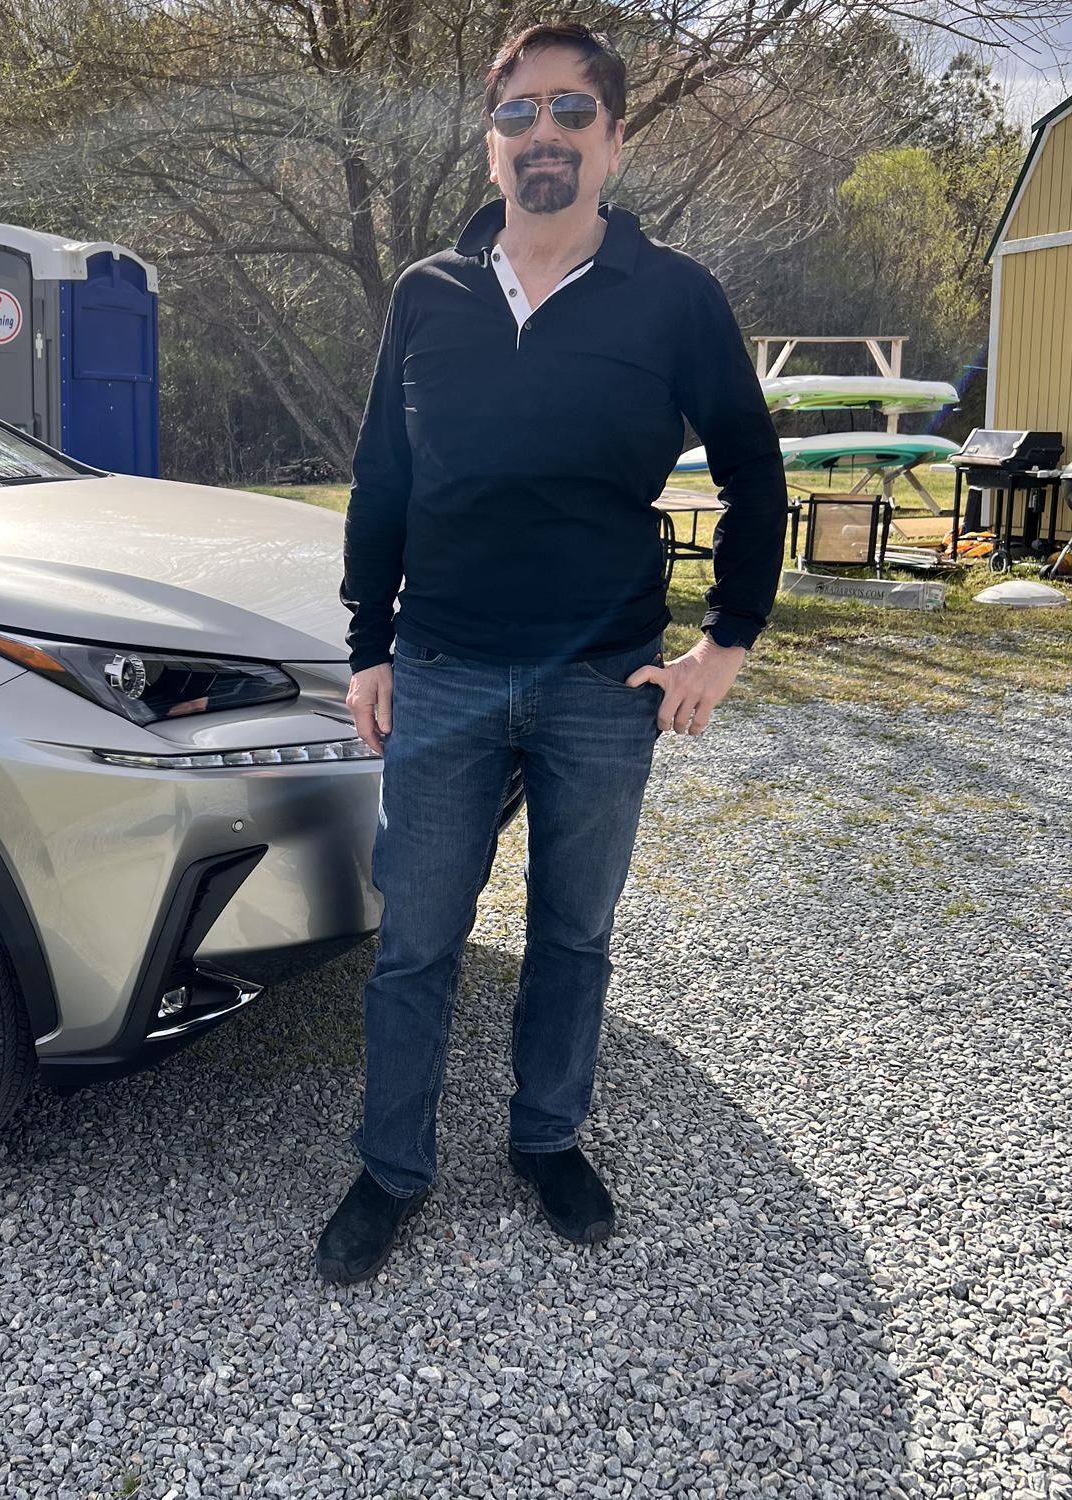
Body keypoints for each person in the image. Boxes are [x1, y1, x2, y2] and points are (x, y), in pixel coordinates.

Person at [317, 20, 788, 1285]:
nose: (545, 135)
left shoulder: (677, 299)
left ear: (615, 139)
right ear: (492, 140)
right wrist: (371, 648)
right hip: (448, 671)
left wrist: (723, 645)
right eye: (520, 114)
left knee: (574, 935)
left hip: (600, 683)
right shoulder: (428, 295)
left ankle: (547, 1138)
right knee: (416, 935)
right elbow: (383, 484)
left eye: (572, 112)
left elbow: (754, 471)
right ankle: (392, 1169)